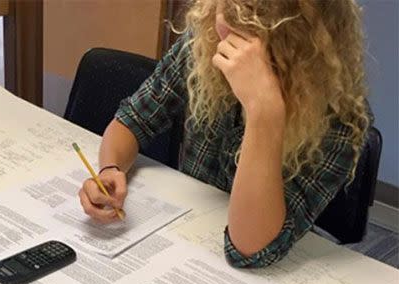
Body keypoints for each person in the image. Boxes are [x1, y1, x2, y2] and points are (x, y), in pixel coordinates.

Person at [77, 0, 370, 268]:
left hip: (272, 274)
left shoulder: (339, 116)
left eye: (249, 23)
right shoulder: (207, 42)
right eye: (224, 10)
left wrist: (262, 112)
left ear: (298, 35)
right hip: (186, 237)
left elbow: (250, 249)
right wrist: (111, 168)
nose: (224, 32)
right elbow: (132, 120)